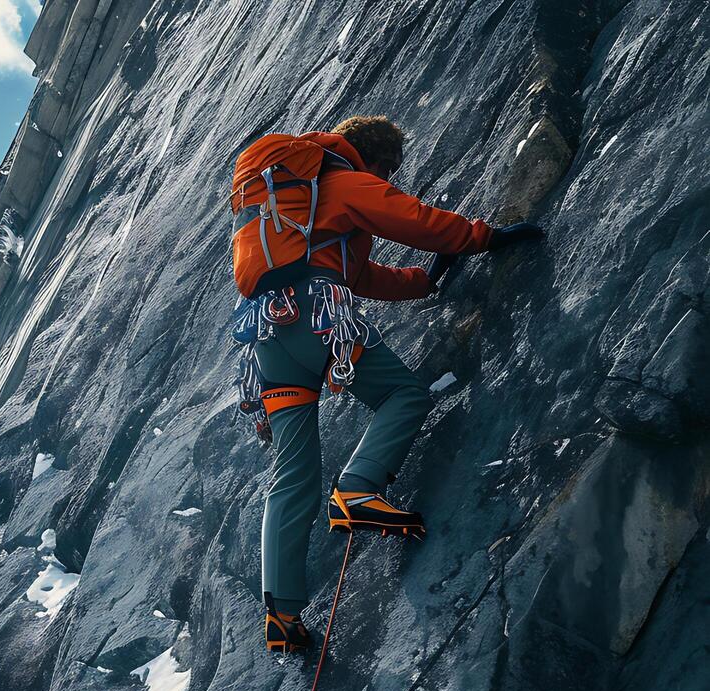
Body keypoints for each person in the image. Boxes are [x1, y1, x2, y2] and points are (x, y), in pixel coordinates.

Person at [231, 115, 544, 653]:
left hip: (266, 342)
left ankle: (281, 615)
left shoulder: (284, 209)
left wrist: (422, 281)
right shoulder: (344, 180)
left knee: (291, 475)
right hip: (316, 316)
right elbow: (413, 220)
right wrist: (482, 237)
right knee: (403, 394)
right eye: (390, 168)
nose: (392, 177)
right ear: (371, 157)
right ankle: (357, 490)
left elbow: (359, 274)